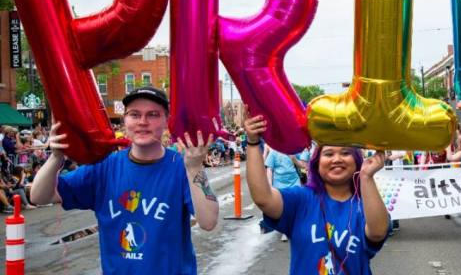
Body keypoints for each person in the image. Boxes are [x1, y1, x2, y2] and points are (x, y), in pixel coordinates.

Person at [30, 86, 219, 274]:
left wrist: (194, 167)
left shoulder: (181, 167)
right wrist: (56, 158)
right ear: (125, 120)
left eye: (153, 114)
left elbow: (208, 221)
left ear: (166, 121)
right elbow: (39, 196)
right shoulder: (103, 167)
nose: (142, 122)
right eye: (134, 114)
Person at [244, 106, 390, 275]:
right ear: (316, 164)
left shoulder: (366, 204)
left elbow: (378, 233)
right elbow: (263, 198)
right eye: (328, 154)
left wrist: (366, 177)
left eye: (345, 153)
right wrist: (253, 143)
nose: (337, 159)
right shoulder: (300, 199)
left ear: (357, 161)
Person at [265, 145, 309, 241]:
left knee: (295, 205)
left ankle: (293, 227)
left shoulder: (294, 150)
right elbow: (269, 169)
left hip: (294, 181)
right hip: (279, 183)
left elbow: (303, 166)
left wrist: (294, 160)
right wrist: (269, 184)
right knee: (283, 207)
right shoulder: (274, 152)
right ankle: (285, 230)